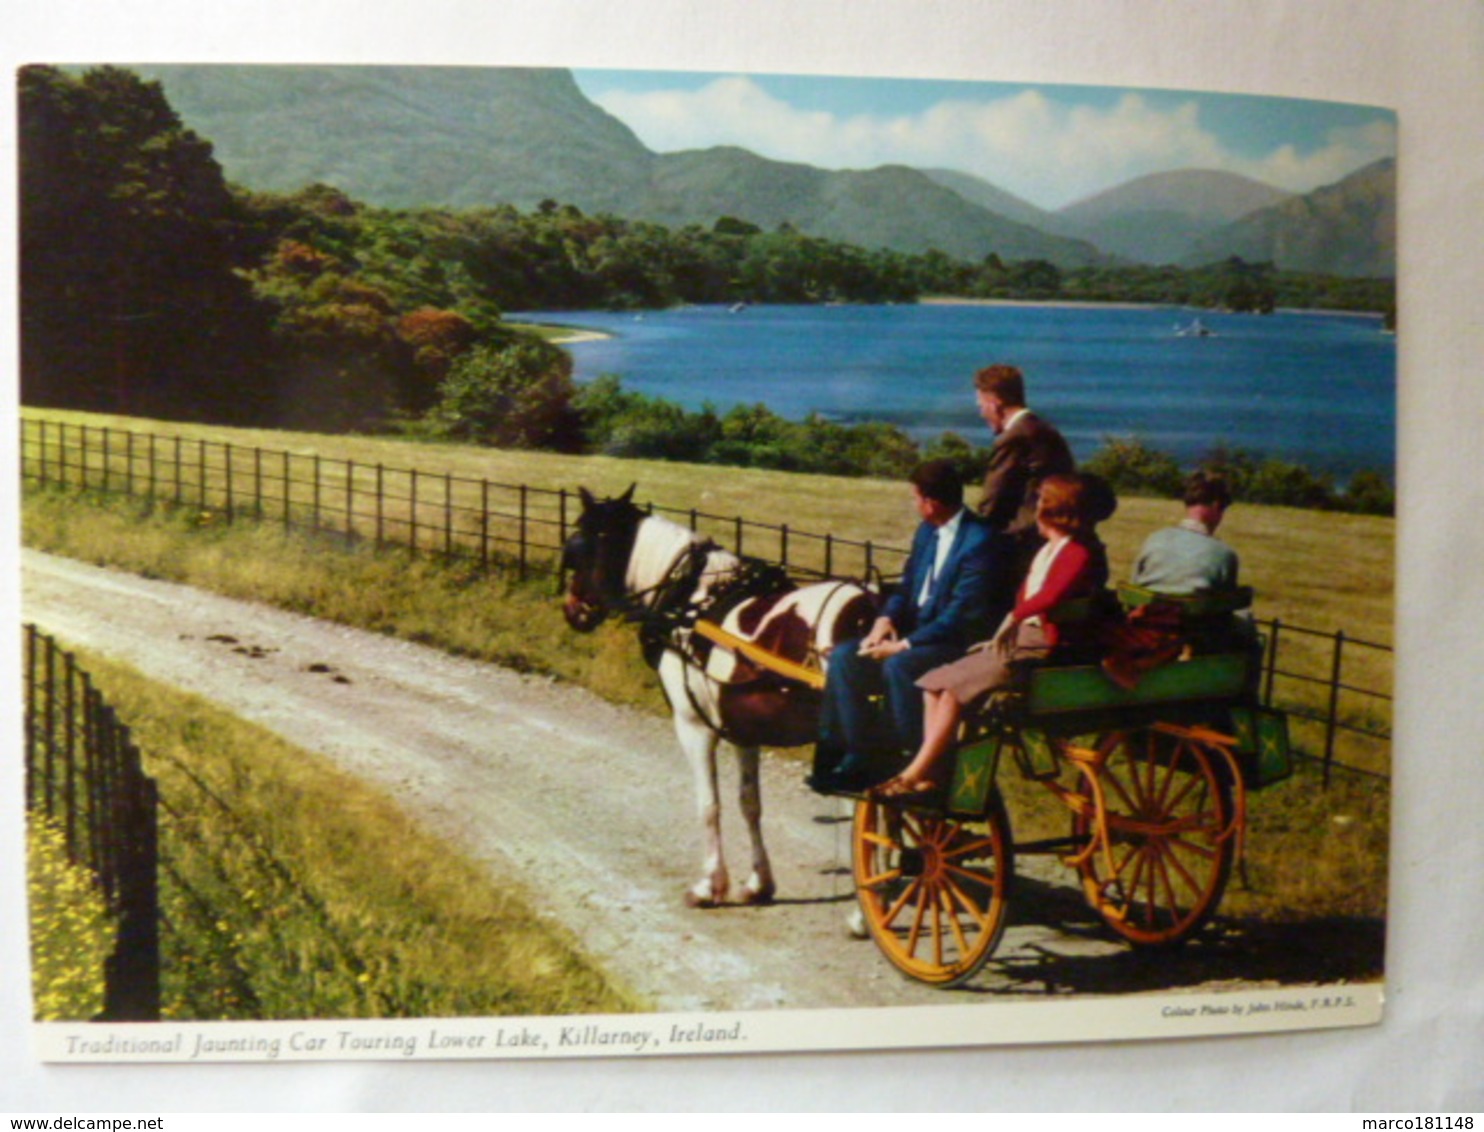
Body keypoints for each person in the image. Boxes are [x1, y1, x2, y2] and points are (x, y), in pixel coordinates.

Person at [870, 473, 1112, 800]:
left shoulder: (1077, 552)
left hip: (1043, 645)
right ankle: (933, 770)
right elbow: (1031, 596)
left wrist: (1014, 619)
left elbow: (1050, 596)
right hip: (1024, 638)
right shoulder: (1052, 549)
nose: (1034, 507)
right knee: (931, 684)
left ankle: (914, 774)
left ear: (1054, 508)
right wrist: (1005, 630)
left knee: (953, 691)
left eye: (1040, 501)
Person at [810, 460, 1013, 793]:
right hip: (920, 632)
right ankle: (858, 754)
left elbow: (962, 614)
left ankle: (914, 758)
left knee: (901, 666)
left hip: (955, 643)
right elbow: (906, 587)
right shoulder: (928, 532)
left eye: (916, 498)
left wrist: (905, 645)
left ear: (930, 502)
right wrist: (884, 620)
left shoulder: (981, 541)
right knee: (847, 657)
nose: (914, 505)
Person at [974, 364, 1076, 571]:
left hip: (1019, 546)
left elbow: (993, 502)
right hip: (1050, 536)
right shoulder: (1045, 430)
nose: (982, 413)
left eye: (981, 405)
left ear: (995, 402)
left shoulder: (1015, 437)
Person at [1132, 470, 1239, 594]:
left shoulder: (1153, 540)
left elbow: (1135, 584)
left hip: (1147, 611)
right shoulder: (1223, 554)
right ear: (1216, 505)